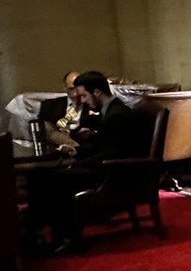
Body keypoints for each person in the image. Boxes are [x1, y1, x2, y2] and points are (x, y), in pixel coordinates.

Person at [23, 70, 146, 252]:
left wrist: (76, 162)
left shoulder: (117, 115)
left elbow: (111, 153)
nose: (81, 101)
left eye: (83, 96)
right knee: (39, 175)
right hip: (104, 167)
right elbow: (101, 145)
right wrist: (75, 152)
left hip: (112, 175)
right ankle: (35, 228)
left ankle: (57, 235)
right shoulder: (110, 111)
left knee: (49, 179)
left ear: (96, 92)